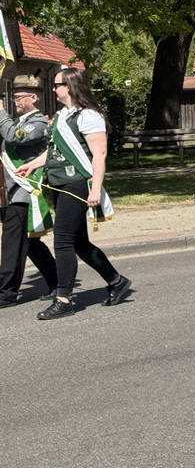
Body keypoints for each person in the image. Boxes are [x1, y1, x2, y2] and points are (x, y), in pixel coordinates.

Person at [15, 69, 130, 320]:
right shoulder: (62, 115)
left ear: (70, 86)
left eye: (57, 85)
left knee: (63, 240)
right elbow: (56, 150)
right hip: (60, 183)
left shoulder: (88, 116)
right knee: (79, 242)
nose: (53, 89)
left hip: (77, 184)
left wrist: (96, 188)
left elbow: (99, 154)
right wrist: (32, 165)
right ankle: (116, 280)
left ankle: (64, 299)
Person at [0, 76, 58, 308]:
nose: (15, 100)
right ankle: (58, 282)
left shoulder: (39, 123)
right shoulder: (17, 121)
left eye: (19, 97)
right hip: (10, 192)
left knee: (12, 243)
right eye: (13, 96)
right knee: (30, 243)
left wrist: (0, 113)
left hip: (23, 192)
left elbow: (15, 137)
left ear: (33, 98)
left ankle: (6, 293)